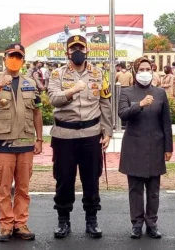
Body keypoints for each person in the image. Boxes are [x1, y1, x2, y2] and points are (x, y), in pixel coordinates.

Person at [47, 35, 113, 239]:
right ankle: (63, 220)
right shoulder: (57, 74)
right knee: (64, 179)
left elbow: (105, 103)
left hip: (91, 134)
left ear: (87, 51)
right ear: (66, 52)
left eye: (81, 48)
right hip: (64, 135)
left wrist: (107, 130)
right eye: (73, 48)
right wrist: (73, 90)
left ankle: (91, 220)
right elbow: (53, 100)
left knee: (91, 178)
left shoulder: (99, 73)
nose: (77, 52)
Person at [0, 43, 43, 242]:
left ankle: (21, 224)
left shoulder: (31, 84)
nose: (15, 60)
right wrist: (0, 85)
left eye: (18, 57)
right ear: (4, 58)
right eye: (11, 56)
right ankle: (6, 225)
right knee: (4, 187)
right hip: (3, 142)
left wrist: (40, 139)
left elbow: (37, 112)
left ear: (23, 60)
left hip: (26, 141)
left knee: (23, 188)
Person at [118, 57, 173, 239]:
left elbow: (166, 122)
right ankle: (137, 223)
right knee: (135, 189)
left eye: (147, 69)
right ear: (135, 71)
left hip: (155, 146)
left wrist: (168, 147)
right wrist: (139, 105)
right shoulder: (127, 92)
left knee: (153, 189)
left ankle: (152, 223)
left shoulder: (160, 93)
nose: (144, 72)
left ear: (152, 70)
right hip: (134, 146)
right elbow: (122, 115)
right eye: (141, 69)